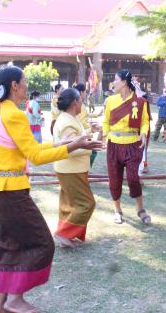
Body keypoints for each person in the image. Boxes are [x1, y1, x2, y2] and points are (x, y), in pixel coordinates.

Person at [0, 65, 101, 313]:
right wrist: (72, 146)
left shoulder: (0, 109)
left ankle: (1, 306)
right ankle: (15, 299)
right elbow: (34, 154)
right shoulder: (14, 114)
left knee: (8, 247)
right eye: (23, 82)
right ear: (14, 85)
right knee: (43, 244)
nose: (26, 86)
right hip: (11, 192)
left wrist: (66, 143)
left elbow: (29, 147)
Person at [102, 69, 151, 225]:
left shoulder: (140, 102)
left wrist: (143, 132)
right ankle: (117, 210)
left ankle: (141, 209)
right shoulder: (110, 101)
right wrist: (104, 135)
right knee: (114, 179)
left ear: (124, 82)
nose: (113, 83)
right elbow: (105, 121)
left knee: (133, 178)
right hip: (113, 145)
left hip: (132, 145)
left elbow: (145, 121)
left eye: (115, 80)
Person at [53, 88, 100, 248]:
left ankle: (65, 234)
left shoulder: (68, 118)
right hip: (71, 169)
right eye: (80, 100)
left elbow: (75, 139)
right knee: (86, 203)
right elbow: (71, 148)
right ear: (75, 102)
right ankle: (64, 233)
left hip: (69, 169)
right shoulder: (67, 121)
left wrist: (89, 132)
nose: (82, 102)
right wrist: (91, 146)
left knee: (68, 204)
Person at [74, 83, 102, 167]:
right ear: (81, 92)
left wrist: (97, 115)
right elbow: (81, 121)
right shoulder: (79, 104)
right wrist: (91, 127)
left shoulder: (81, 104)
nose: (86, 94)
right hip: (83, 134)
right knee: (90, 152)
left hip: (85, 133)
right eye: (85, 92)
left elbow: (85, 115)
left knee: (90, 152)